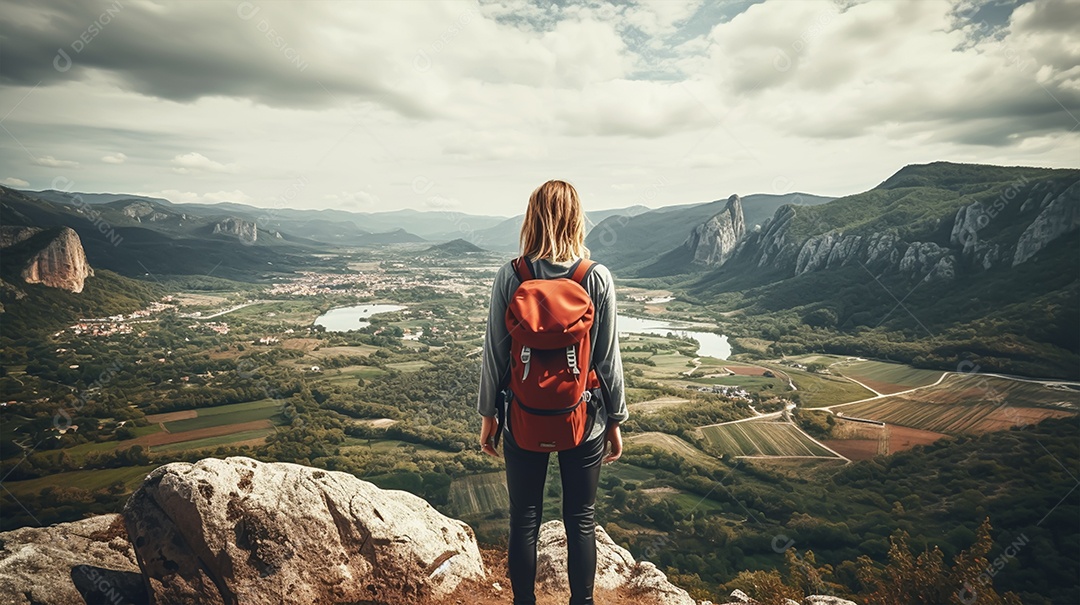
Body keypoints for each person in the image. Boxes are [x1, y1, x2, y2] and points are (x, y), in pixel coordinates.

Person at [476, 179, 628, 605]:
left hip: (522, 416)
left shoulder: (512, 274)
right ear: (577, 219)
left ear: (531, 219)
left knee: (524, 519)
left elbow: (495, 355)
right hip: (585, 418)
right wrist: (616, 420)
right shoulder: (595, 278)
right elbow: (606, 360)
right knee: (580, 519)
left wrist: (489, 415)